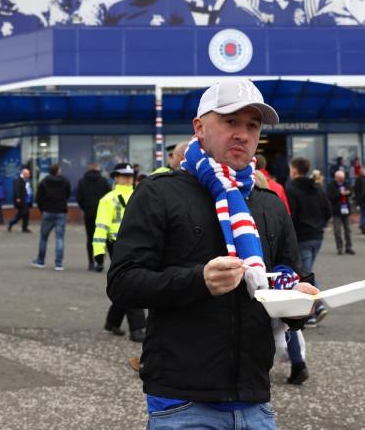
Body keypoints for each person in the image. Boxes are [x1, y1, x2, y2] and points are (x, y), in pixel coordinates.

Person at [107, 78, 316, 427]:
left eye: (252, 125)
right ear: (200, 128)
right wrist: (198, 280)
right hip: (181, 401)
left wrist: (301, 299)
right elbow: (124, 282)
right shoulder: (159, 194)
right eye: (231, 121)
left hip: (255, 399)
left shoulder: (269, 205)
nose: (243, 134)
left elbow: (292, 275)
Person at [93, 163, 145, 342]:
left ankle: (112, 321)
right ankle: (138, 328)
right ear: (116, 177)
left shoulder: (139, 195)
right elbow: (101, 227)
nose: (128, 179)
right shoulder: (108, 199)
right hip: (116, 245)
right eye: (124, 176)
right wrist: (98, 252)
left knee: (125, 283)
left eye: (130, 176)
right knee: (133, 284)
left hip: (138, 244)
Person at [286, 155, 331, 326]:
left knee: (304, 273)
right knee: (306, 271)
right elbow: (327, 210)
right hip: (317, 236)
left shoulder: (291, 190)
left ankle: (315, 308)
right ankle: (315, 307)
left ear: (295, 171)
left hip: (302, 236)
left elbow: (292, 215)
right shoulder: (318, 188)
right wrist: (319, 225)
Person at [33, 163, 71, 271]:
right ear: (58, 171)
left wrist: (42, 209)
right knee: (60, 238)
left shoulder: (44, 182)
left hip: (48, 212)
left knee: (43, 238)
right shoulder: (65, 181)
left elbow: (38, 197)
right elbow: (68, 194)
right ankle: (58, 264)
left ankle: (41, 261)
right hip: (60, 212)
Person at [76, 163, 111, 271]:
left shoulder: (82, 181)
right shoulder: (104, 181)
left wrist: (85, 208)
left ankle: (90, 262)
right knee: (102, 238)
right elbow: (109, 196)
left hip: (88, 212)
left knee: (90, 238)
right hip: (102, 213)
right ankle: (99, 262)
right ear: (98, 169)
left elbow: (79, 197)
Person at [326, 170, 355, 255]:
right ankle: (339, 247)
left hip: (346, 209)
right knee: (337, 230)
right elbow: (330, 197)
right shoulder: (331, 185)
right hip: (336, 210)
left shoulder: (346, 184)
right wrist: (340, 194)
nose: (341, 180)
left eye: (342, 178)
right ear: (336, 178)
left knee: (348, 230)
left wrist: (348, 193)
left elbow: (350, 192)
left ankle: (348, 247)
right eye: (339, 178)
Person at [8, 168, 33, 233]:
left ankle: (25, 227)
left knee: (27, 214)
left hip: (28, 200)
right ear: (24, 173)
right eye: (27, 174)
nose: (29, 175)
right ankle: (11, 222)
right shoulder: (18, 180)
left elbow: (28, 188)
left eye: (29, 173)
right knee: (21, 213)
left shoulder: (28, 180)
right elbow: (17, 189)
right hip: (22, 200)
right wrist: (18, 198)